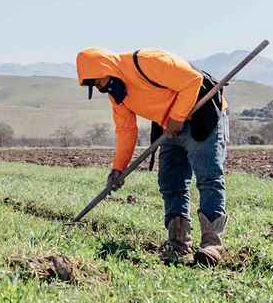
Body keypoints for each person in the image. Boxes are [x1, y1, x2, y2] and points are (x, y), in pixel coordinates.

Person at [75, 48, 227, 264]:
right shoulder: (117, 95)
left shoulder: (147, 62)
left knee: (208, 178)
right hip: (169, 126)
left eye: (98, 82)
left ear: (105, 68)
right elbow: (126, 130)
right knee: (171, 182)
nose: (100, 88)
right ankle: (178, 243)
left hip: (203, 116)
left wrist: (177, 116)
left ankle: (211, 245)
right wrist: (118, 168)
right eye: (95, 86)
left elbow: (193, 80)